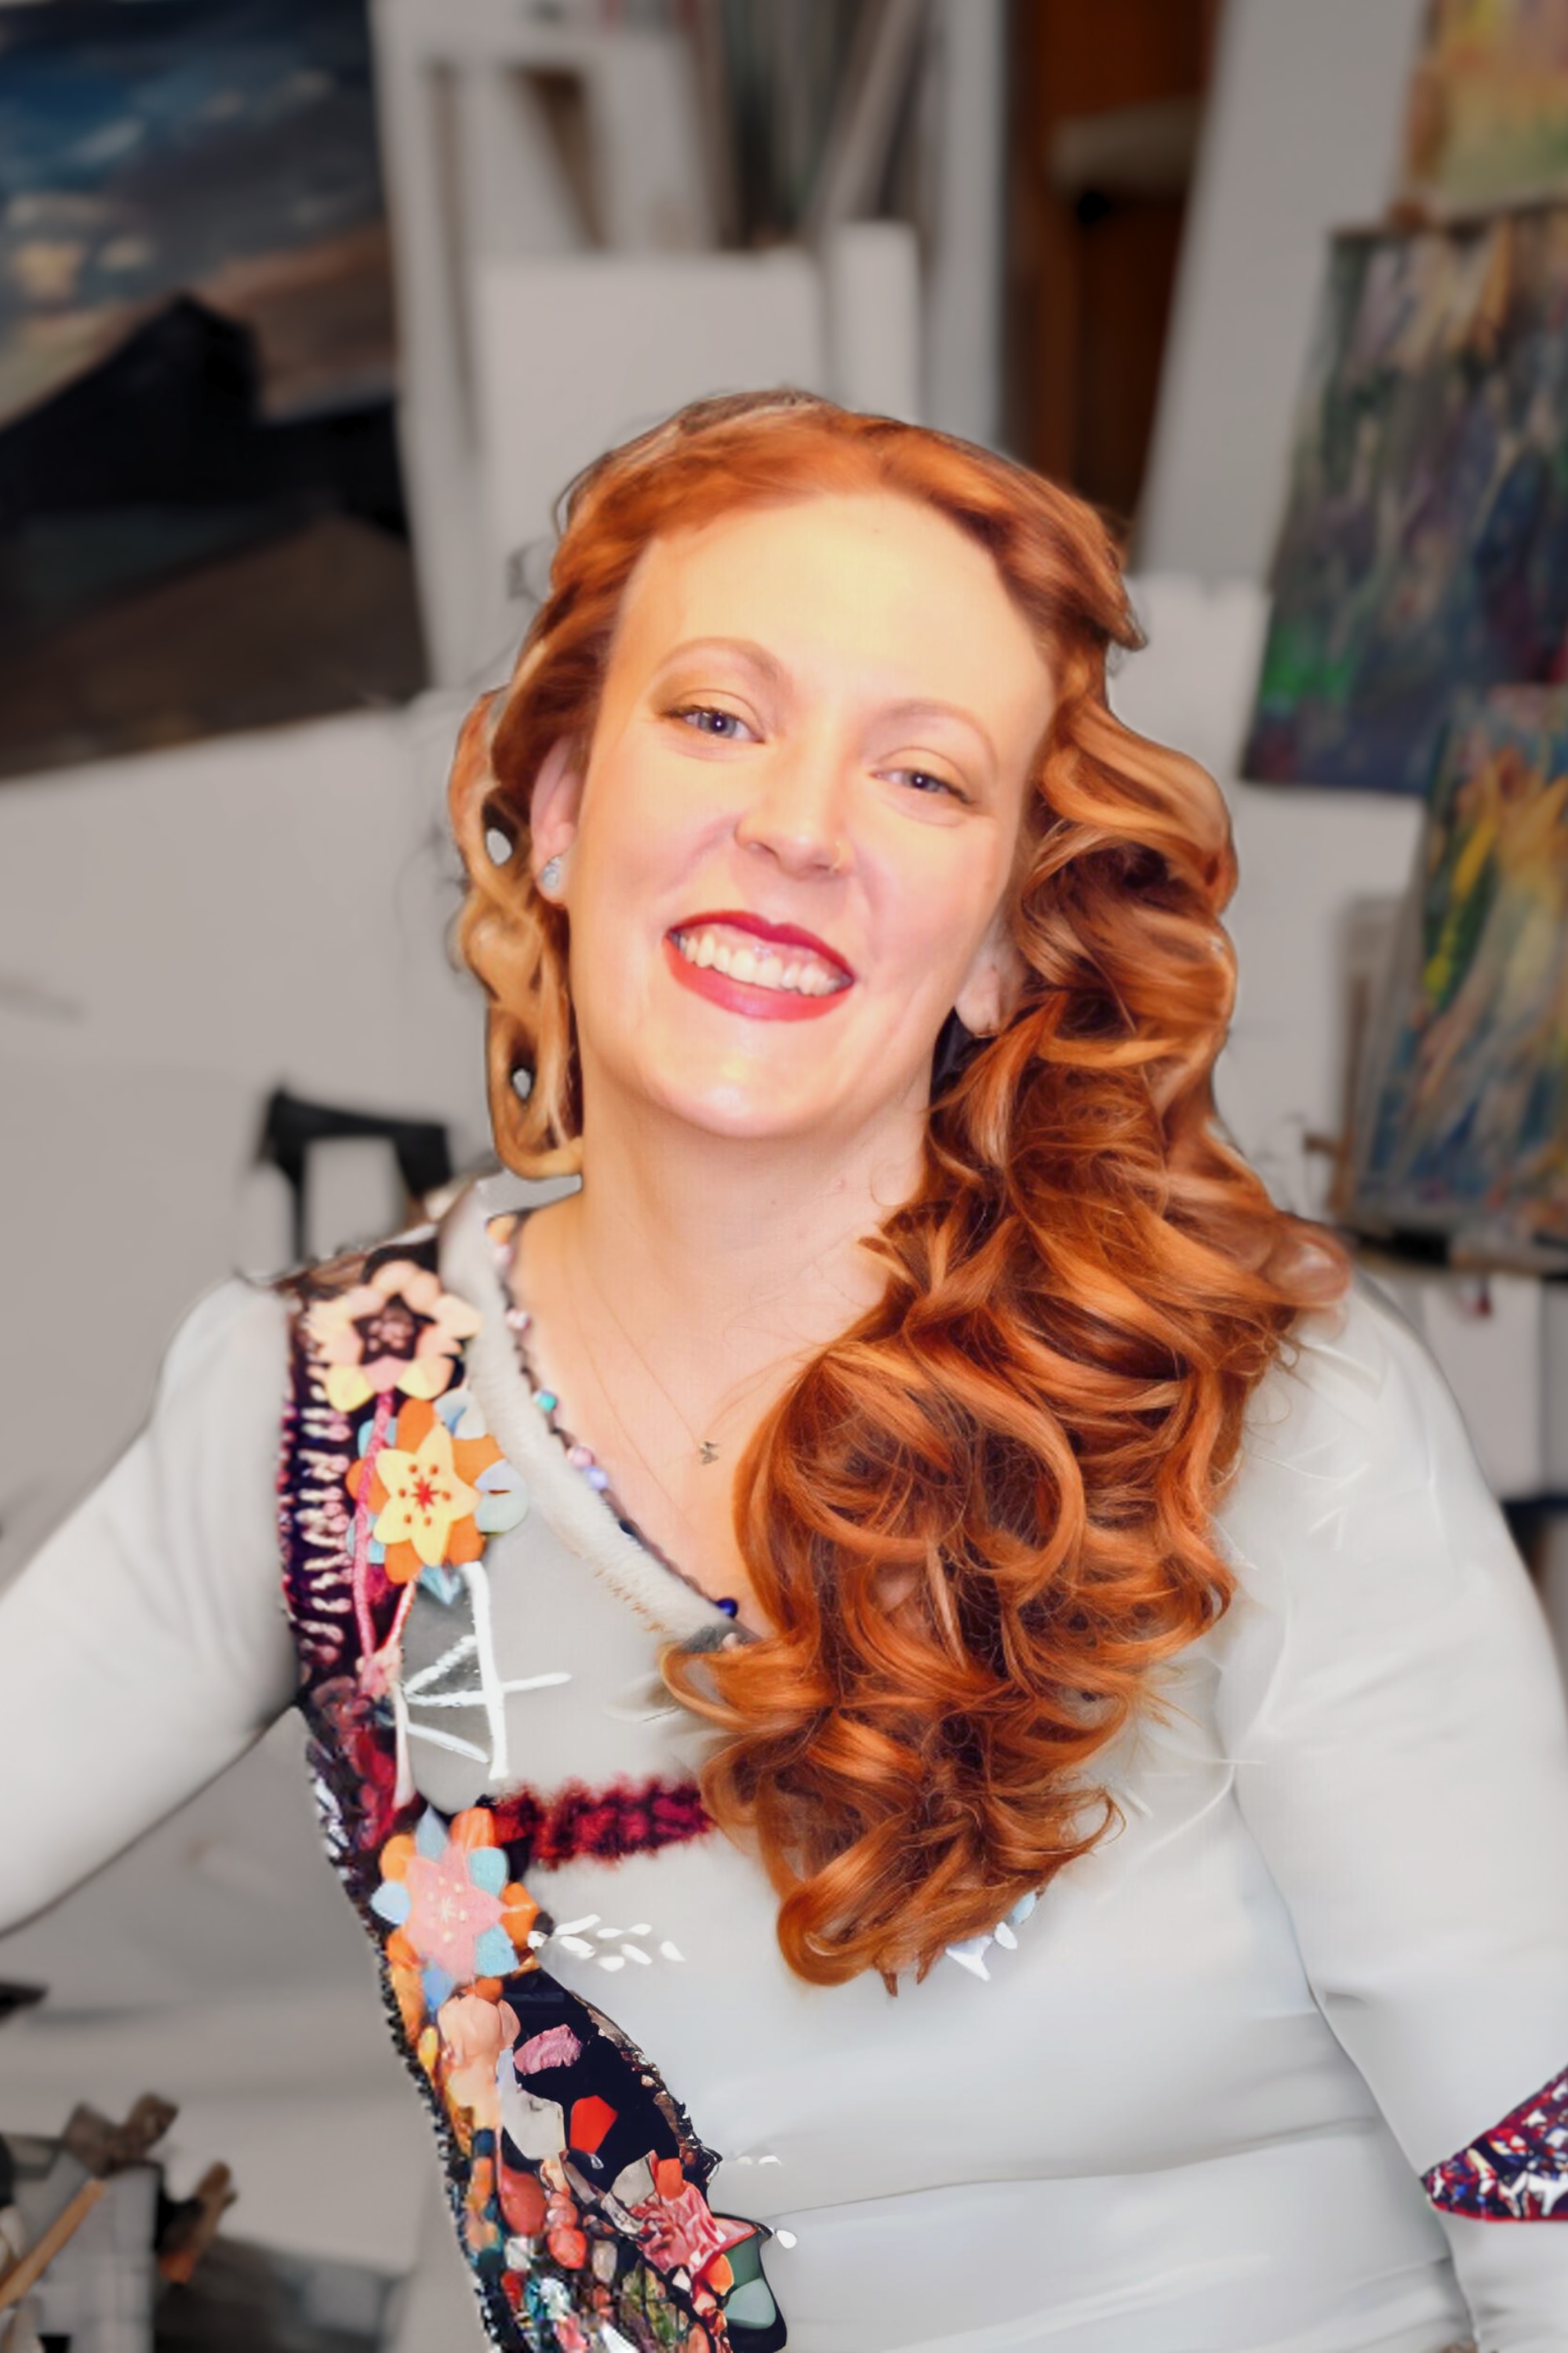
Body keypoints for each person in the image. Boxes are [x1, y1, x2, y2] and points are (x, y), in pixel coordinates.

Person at [1, 390, 1566, 2353]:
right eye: (719, 717)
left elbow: (1546, 2201)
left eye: (923, 778)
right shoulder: (322, 1415)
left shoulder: (1262, 1417)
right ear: (561, 808)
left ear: (1006, 938)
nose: (801, 827)